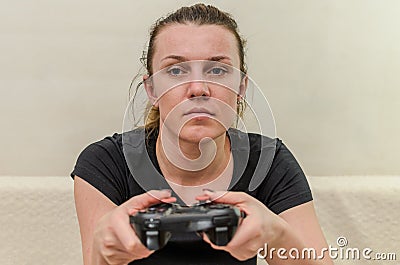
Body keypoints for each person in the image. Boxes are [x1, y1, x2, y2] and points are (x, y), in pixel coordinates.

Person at [72, 3, 333, 265]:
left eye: (217, 70)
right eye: (176, 70)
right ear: (151, 90)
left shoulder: (269, 161)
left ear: (241, 87)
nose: (198, 88)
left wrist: (277, 235)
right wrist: (103, 254)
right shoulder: (105, 163)